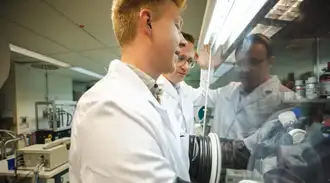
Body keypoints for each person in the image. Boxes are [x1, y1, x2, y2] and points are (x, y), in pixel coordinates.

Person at [69, 0, 192, 182]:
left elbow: (177, 151)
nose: (182, 40)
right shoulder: (108, 107)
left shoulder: (148, 95)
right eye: (176, 25)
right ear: (148, 22)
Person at [198, 34, 292, 142]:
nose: (246, 69)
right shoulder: (228, 90)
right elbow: (201, 98)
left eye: (254, 62)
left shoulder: (285, 100)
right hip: (215, 157)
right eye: (241, 63)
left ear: (270, 61)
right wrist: (206, 69)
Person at [157, 32, 209, 135]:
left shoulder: (184, 88)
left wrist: (205, 68)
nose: (186, 67)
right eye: (180, 58)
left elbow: (205, 96)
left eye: (190, 61)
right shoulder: (153, 92)